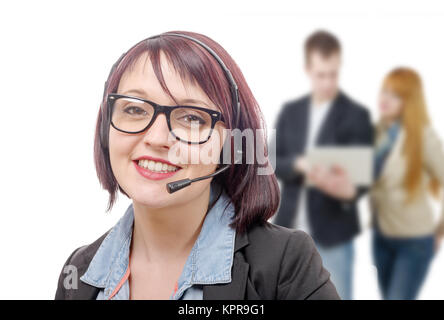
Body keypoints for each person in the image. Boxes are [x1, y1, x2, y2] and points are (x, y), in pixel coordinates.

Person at [54, 31, 339, 300]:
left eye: (191, 118)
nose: (157, 138)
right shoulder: (79, 271)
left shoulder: (284, 263)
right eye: (135, 109)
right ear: (107, 126)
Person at [272, 30, 373, 300]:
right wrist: (299, 164)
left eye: (333, 74)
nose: (328, 82)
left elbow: (362, 180)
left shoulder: (356, 115)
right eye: (321, 75)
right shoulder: (291, 112)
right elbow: (272, 162)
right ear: (308, 70)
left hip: (334, 236)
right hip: (289, 231)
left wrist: (346, 189)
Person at [370, 67, 444, 300]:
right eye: (384, 91)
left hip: (414, 242)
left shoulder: (423, 137)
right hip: (382, 237)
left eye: (395, 95)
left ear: (409, 102)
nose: (385, 99)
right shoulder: (376, 133)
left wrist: (440, 231)